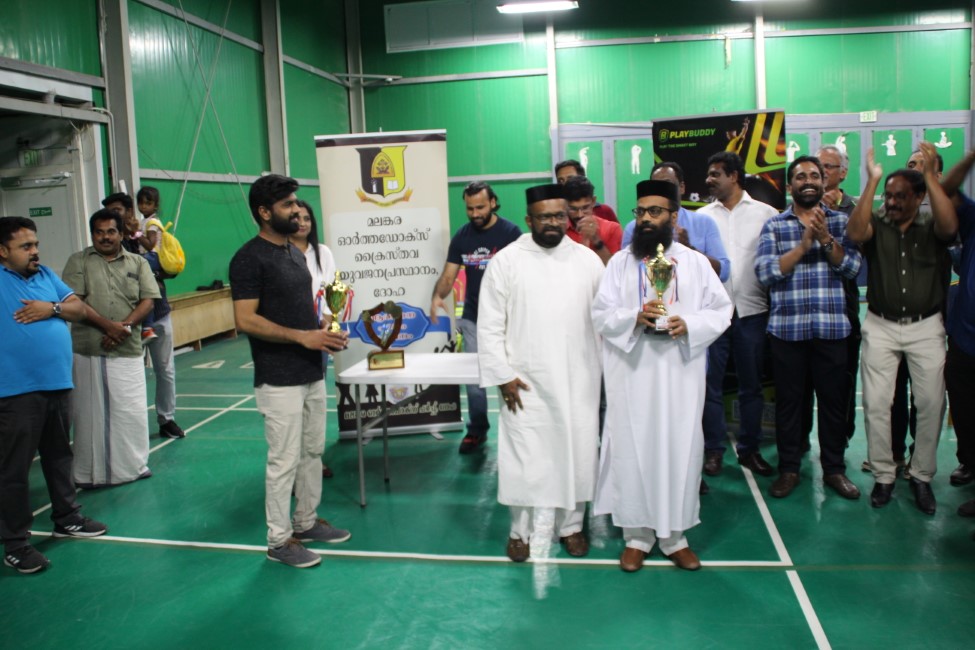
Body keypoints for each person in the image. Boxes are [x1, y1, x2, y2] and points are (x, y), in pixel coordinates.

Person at [592, 180, 731, 572]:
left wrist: (689, 324)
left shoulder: (695, 263)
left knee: (678, 448)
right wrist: (633, 318)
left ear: (673, 216)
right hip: (632, 371)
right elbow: (600, 313)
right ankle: (636, 536)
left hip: (678, 373)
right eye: (640, 212)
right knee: (632, 448)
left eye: (655, 211)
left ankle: (674, 537)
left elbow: (721, 310)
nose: (646, 219)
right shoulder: (620, 264)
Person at [477, 183, 604, 562]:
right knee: (525, 460)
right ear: (529, 219)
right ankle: (521, 532)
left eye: (559, 216)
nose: (553, 223)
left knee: (577, 454)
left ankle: (571, 527)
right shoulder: (506, 262)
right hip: (524, 383)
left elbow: (605, 319)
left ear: (569, 217)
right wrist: (502, 375)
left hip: (578, 380)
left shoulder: (587, 261)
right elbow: (489, 325)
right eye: (544, 217)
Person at [229, 174, 351, 569]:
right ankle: (279, 540)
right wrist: (303, 337)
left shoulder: (294, 254)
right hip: (278, 378)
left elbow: (304, 311)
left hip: (311, 370)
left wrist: (325, 330)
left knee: (312, 451)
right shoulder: (248, 258)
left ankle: (306, 521)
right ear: (265, 213)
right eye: (288, 205)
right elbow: (245, 319)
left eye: (297, 202)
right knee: (283, 461)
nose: (297, 210)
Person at [847, 142, 957, 513]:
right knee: (877, 403)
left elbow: (950, 225)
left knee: (930, 403)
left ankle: (921, 475)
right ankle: (884, 476)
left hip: (926, 327)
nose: (892, 202)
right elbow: (855, 233)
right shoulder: (877, 223)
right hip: (880, 325)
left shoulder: (932, 224)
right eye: (889, 196)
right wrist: (872, 182)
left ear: (920, 197)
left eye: (900, 196)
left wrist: (930, 177)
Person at [0, 217, 108, 574]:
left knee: (60, 456)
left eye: (35, 244)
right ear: (2, 251)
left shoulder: (46, 275)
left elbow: (78, 309)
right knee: (14, 470)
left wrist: (51, 308)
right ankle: (15, 543)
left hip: (57, 384)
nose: (35, 251)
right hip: (14, 392)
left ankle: (67, 517)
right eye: (25, 246)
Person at [755, 156, 862, 499]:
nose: (809, 181)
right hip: (788, 332)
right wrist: (803, 246)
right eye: (800, 176)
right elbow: (766, 273)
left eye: (815, 175)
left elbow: (852, 269)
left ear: (824, 182)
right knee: (790, 404)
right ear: (790, 186)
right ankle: (789, 469)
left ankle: (834, 469)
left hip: (831, 330)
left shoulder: (841, 222)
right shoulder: (775, 226)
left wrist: (826, 239)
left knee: (833, 404)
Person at [62, 209, 160, 488]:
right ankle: (89, 474)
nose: (105, 237)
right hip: (88, 349)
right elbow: (74, 302)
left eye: (111, 231)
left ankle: (132, 467)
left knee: (129, 411)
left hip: (127, 349)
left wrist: (124, 327)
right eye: (99, 232)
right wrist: (109, 327)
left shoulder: (138, 262)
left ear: (120, 233)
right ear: (92, 234)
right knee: (88, 413)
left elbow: (148, 300)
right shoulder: (79, 261)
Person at [697, 151, 778, 478]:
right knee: (710, 386)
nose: (709, 180)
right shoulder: (701, 218)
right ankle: (714, 451)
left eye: (715, 174)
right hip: (713, 315)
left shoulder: (766, 214)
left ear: (733, 176)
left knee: (752, 386)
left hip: (752, 312)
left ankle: (750, 449)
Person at [430, 182, 521, 454]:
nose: (475, 213)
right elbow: (449, 275)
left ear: (493, 202)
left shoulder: (511, 233)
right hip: (473, 317)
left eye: (480, 207)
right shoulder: (462, 236)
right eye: (470, 208)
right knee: (476, 379)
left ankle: (518, 429)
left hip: (508, 318)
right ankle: (477, 430)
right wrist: (437, 296)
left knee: (512, 373)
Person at [105, 190, 185, 441]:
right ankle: (129, 424)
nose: (114, 216)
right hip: (128, 319)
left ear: (129, 212)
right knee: (129, 373)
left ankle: (166, 419)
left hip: (159, 314)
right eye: (110, 212)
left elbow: (166, 268)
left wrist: (150, 271)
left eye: (117, 211)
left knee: (165, 370)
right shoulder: (110, 245)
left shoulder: (146, 232)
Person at [940, 150, 975, 525]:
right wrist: (970, 157)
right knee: (965, 413)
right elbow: (947, 189)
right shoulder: (974, 219)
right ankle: (970, 463)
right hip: (965, 338)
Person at [290, 199, 337, 478]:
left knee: (314, 405)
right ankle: (295, 464)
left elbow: (332, 292)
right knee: (292, 407)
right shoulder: (280, 253)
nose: (302, 223)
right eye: (297, 218)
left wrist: (327, 324)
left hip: (318, 337)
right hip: (290, 339)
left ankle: (313, 461)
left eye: (307, 218)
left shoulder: (323, 253)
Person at [621, 162, 730, 282]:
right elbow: (624, 272)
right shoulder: (635, 227)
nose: (661, 191)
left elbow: (723, 272)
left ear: (682, 187)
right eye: (656, 186)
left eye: (668, 184)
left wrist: (690, 250)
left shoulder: (704, 223)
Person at [563, 175, 623, 265]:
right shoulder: (560, 231)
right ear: (564, 205)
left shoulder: (612, 229)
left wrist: (597, 241)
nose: (580, 215)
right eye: (573, 209)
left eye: (585, 208)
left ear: (593, 201)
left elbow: (615, 269)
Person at [554, 159, 619, 223]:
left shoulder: (604, 211)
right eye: (560, 181)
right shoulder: (554, 213)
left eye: (570, 178)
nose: (565, 184)